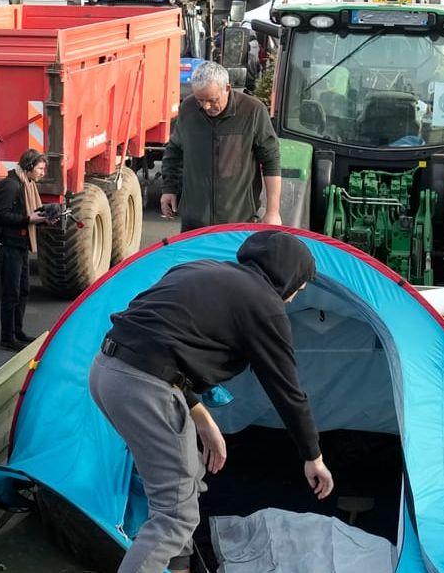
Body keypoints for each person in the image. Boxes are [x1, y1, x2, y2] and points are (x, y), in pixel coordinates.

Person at [88, 230, 333, 573]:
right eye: (298, 290)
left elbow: (163, 340)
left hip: (106, 371)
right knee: (175, 514)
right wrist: (313, 456)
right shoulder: (265, 305)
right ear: (287, 278)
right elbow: (287, 390)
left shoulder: (200, 269)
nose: (293, 299)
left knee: (187, 479)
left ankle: (180, 567)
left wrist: (202, 418)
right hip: (145, 388)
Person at [160, 62, 283, 231]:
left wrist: (273, 211)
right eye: (200, 100)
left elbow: (271, 160)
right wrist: (169, 189)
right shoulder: (188, 109)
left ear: (227, 88)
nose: (206, 106)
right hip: (193, 223)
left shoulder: (252, 112)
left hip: (238, 221)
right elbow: (174, 150)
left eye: (212, 100)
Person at [0, 149, 49, 350]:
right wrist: (28, 219)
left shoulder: (26, 184)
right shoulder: (11, 186)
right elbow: (1, 215)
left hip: (21, 245)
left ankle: (18, 331)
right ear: (29, 166)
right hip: (10, 246)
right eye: (40, 168)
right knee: (11, 292)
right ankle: (7, 337)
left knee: (23, 291)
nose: (43, 172)